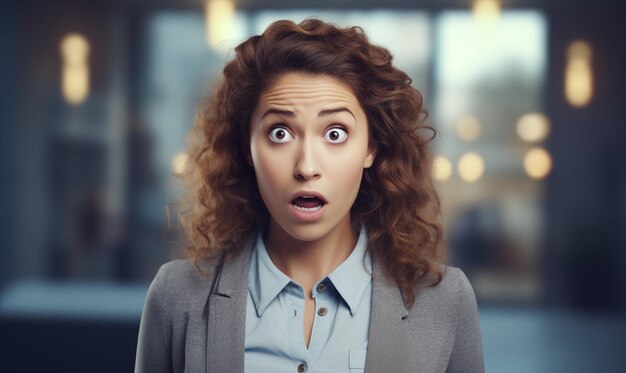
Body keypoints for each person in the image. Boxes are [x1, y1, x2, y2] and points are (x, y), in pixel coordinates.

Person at [135, 18, 484, 373]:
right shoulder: (178, 296)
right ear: (246, 149)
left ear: (371, 149)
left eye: (335, 133)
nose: (306, 167)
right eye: (280, 133)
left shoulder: (444, 301)